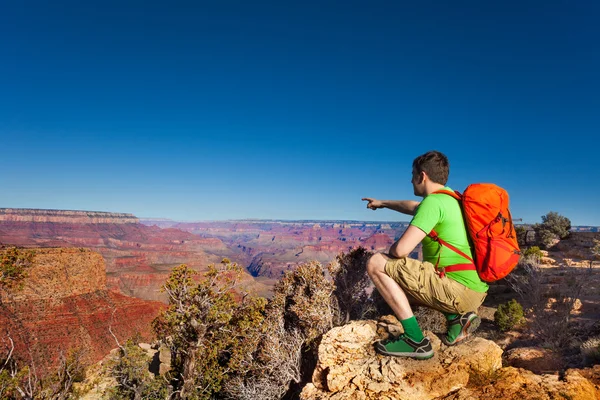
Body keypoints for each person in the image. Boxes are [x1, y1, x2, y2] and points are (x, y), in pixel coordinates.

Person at [362, 150, 488, 360]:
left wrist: (391, 253)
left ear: (422, 176)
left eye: (412, 175)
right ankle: (456, 320)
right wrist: (383, 203)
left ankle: (414, 341)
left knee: (377, 263)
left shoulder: (433, 204)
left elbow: (401, 250)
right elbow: (412, 206)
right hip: (474, 290)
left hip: (457, 291)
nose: (411, 181)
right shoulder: (453, 200)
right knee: (403, 281)